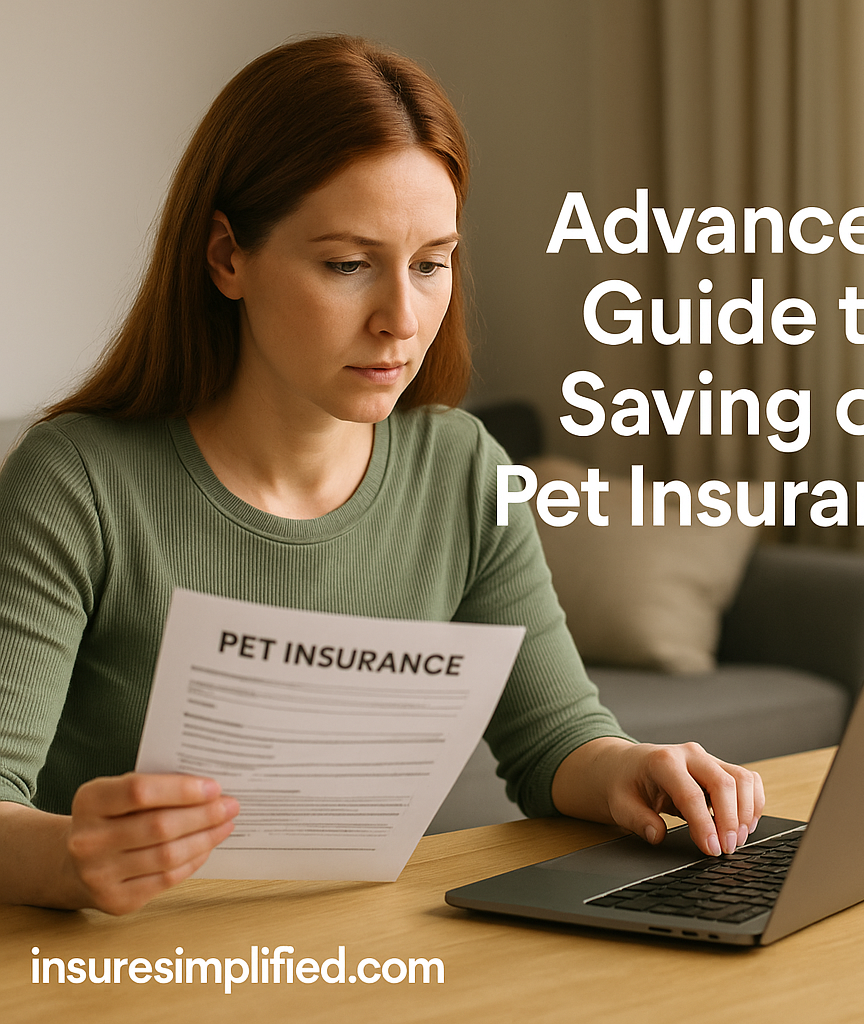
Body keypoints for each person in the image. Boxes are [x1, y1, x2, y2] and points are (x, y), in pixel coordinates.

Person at [0, 34, 763, 915]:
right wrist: (69, 856)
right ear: (226, 257)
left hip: (374, 957)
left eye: (431, 263)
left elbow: (553, 739)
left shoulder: (463, 469)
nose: (402, 318)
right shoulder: (77, 483)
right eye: (347, 265)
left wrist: (635, 766)